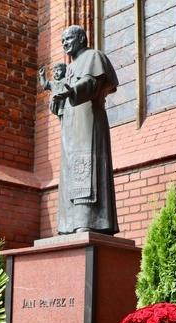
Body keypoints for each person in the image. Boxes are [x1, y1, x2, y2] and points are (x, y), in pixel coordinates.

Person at [52, 25, 120, 236]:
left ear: (81, 38)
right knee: (70, 171)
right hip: (70, 126)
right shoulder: (69, 67)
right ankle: (69, 223)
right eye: (62, 41)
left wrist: (71, 90)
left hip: (88, 120)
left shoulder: (93, 57)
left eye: (68, 39)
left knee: (87, 169)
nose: (65, 44)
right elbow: (61, 95)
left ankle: (88, 221)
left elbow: (92, 82)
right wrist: (56, 99)